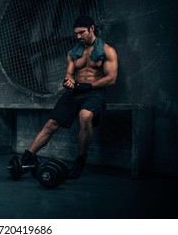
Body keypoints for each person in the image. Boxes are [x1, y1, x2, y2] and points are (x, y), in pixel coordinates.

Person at [19, 15, 118, 179]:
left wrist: (88, 86)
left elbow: (111, 78)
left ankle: (80, 161)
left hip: (94, 92)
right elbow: (69, 75)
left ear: (92, 29)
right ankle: (27, 157)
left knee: (85, 116)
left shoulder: (107, 50)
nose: (78, 37)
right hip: (75, 93)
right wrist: (69, 82)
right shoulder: (73, 53)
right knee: (52, 123)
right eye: (76, 34)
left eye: (82, 32)